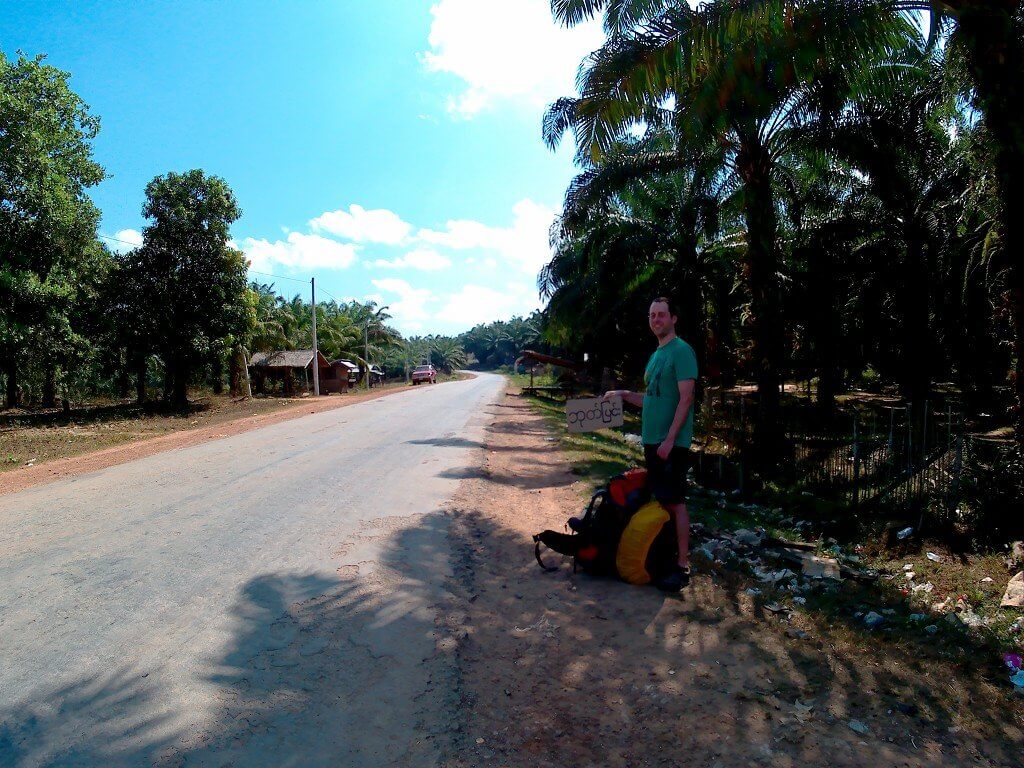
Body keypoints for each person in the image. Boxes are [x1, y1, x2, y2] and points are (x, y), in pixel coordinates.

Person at [606, 297, 698, 591]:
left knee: (675, 501)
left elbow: (687, 398)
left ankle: (682, 565)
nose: (656, 319)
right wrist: (623, 394)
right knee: (661, 499)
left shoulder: (681, 351)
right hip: (652, 440)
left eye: (661, 315)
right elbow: (652, 398)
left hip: (671, 442)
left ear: (673, 318)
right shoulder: (657, 355)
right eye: (652, 315)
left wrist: (671, 438)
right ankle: (663, 557)